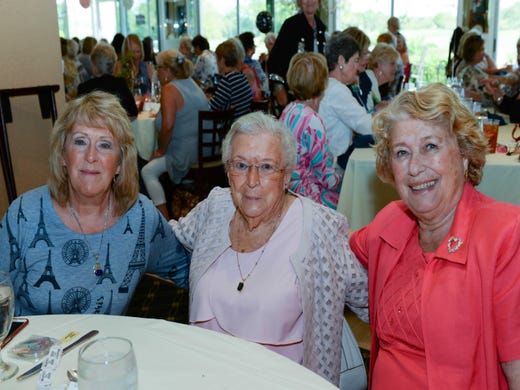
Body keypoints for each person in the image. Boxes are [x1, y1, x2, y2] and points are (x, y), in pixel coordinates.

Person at [170, 111, 368, 389]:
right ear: (228, 170)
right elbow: (166, 241)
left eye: (265, 167)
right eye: (240, 165)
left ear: (287, 175)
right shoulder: (216, 209)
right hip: (203, 379)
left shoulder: (319, 230)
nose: (251, 180)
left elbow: (375, 299)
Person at [349, 83, 520, 389]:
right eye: (402, 153)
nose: (415, 167)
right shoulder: (392, 221)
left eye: (430, 146)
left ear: (464, 154)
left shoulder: (505, 236)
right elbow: (339, 239)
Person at [0, 91, 189, 316]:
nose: (91, 156)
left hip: (105, 349)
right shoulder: (24, 215)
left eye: (105, 145)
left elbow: (184, 270)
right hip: (32, 349)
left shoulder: (140, 216)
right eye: (80, 141)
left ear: (119, 162)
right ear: (62, 155)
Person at [141, 50, 209, 219]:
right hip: (205, 151)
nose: (158, 72)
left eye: (160, 68)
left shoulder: (169, 89)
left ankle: (166, 221)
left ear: (168, 70)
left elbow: (168, 126)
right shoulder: (192, 83)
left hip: (185, 154)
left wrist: (161, 151)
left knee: (147, 171)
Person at [279, 52, 340, 209]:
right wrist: (342, 179)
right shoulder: (312, 121)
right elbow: (326, 177)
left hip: (286, 189)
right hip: (306, 195)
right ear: (322, 84)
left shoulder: (289, 111)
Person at [319, 32, 374, 169]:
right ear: (341, 61)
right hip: (335, 165)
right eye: (355, 60)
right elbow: (366, 126)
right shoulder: (337, 90)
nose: (357, 66)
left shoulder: (327, 84)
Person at [456, 34, 520, 119]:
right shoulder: (468, 71)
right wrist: (497, 93)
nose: (484, 53)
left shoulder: (472, 67)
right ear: (473, 52)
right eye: (482, 50)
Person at [267, 0, 326, 82]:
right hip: (294, 89)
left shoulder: (321, 28)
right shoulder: (290, 26)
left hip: (317, 89)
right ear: (299, 2)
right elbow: (274, 62)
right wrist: (279, 90)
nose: (310, 1)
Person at [77, 43, 138, 119]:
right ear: (114, 65)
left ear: (94, 66)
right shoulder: (120, 84)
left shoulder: (84, 88)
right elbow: (133, 113)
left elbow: (78, 117)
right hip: (116, 130)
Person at [210, 39, 253, 120]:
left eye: (217, 60)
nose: (216, 63)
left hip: (232, 127)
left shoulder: (227, 81)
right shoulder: (242, 76)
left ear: (222, 60)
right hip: (245, 122)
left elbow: (212, 107)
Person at [365, 43, 399, 110]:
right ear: (379, 64)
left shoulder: (373, 82)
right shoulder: (367, 81)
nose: (396, 68)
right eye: (392, 64)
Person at [238, 31, 269, 98]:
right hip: (256, 100)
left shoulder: (236, 65)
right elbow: (263, 82)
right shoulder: (254, 64)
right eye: (254, 45)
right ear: (250, 49)